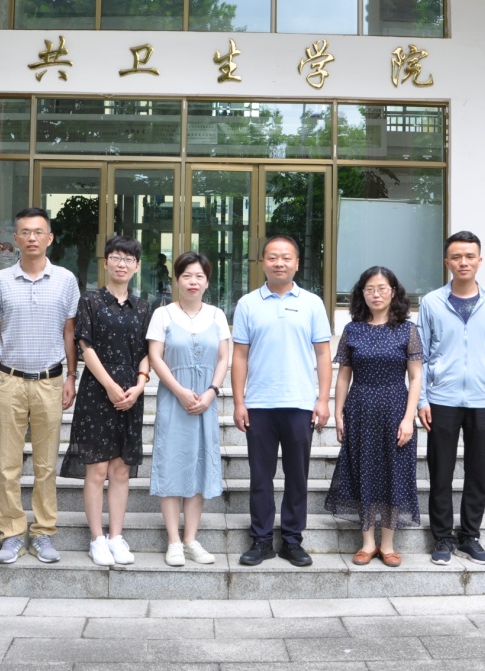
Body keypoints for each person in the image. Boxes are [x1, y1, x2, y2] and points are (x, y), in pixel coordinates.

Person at [0, 207, 80, 565]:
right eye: (25, 232)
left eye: (38, 232)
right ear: (16, 239)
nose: (32, 238)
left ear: (50, 238)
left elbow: (70, 332)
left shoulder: (66, 280)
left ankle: (43, 532)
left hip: (50, 382)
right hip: (9, 380)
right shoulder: (0, 280)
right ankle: (11, 534)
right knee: (8, 465)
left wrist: (72, 376)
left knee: (46, 465)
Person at [231, 235, 332, 567]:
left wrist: (323, 400)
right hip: (259, 404)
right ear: (263, 262)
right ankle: (261, 540)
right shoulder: (247, 303)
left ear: (297, 264)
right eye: (273, 257)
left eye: (286, 257)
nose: (279, 263)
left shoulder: (312, 303)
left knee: (297, 476)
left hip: (300, 403)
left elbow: (323, 354)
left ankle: (292, 540)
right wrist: (239, 403)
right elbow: (240, 356)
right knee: (260, 477)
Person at [417, 230, 485, 567]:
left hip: (484, 400)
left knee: (478, 473)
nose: (463, 262)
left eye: (470, 256)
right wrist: (422, 400)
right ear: (447, 262)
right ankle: (442, 538)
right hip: (441, 400)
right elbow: (420, 355)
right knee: (440, 473)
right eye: (456, 256)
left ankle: (470, 536)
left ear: (480, 261)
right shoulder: (431, 302)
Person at [61, 235, 152, 566]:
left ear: (137, 266)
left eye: (128, 259)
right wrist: (111, 386)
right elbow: (85, 346)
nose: (122, 264)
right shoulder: (90, 301)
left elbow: (148, 351)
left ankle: (116, 536)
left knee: (121, 470)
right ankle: (97, 539)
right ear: (106, 262)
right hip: (98, 391)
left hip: (130, 393)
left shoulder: (144, 307)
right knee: (97, 469)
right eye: (116, 257)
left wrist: (139, 386)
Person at [325, 266, 422, 567]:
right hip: (360, 407)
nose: (376, 294)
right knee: (363, 470)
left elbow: (416, 377)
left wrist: (409, 418)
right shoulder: (352, 329)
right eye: (369, 289)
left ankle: (388, 545)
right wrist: (338, 413)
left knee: (394, 472)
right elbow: (344, 375)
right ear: (361, 293)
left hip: (395, 407)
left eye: (382, 288)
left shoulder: (407, 330)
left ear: (393, 292)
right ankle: (367, 542)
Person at [147, 251, 229, 567]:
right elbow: (155, 357)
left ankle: (191, 539)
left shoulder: (217, 315)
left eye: (199, 276)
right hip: (173, 400)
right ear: (177, 280)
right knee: (172, 465)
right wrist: (180, 391)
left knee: (198, 465)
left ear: (207, 282)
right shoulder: (163, 314)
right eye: (186, 276)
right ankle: (173, 541)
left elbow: (223, 358)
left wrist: (212, 392)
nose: (193, 281)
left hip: (205, 402)